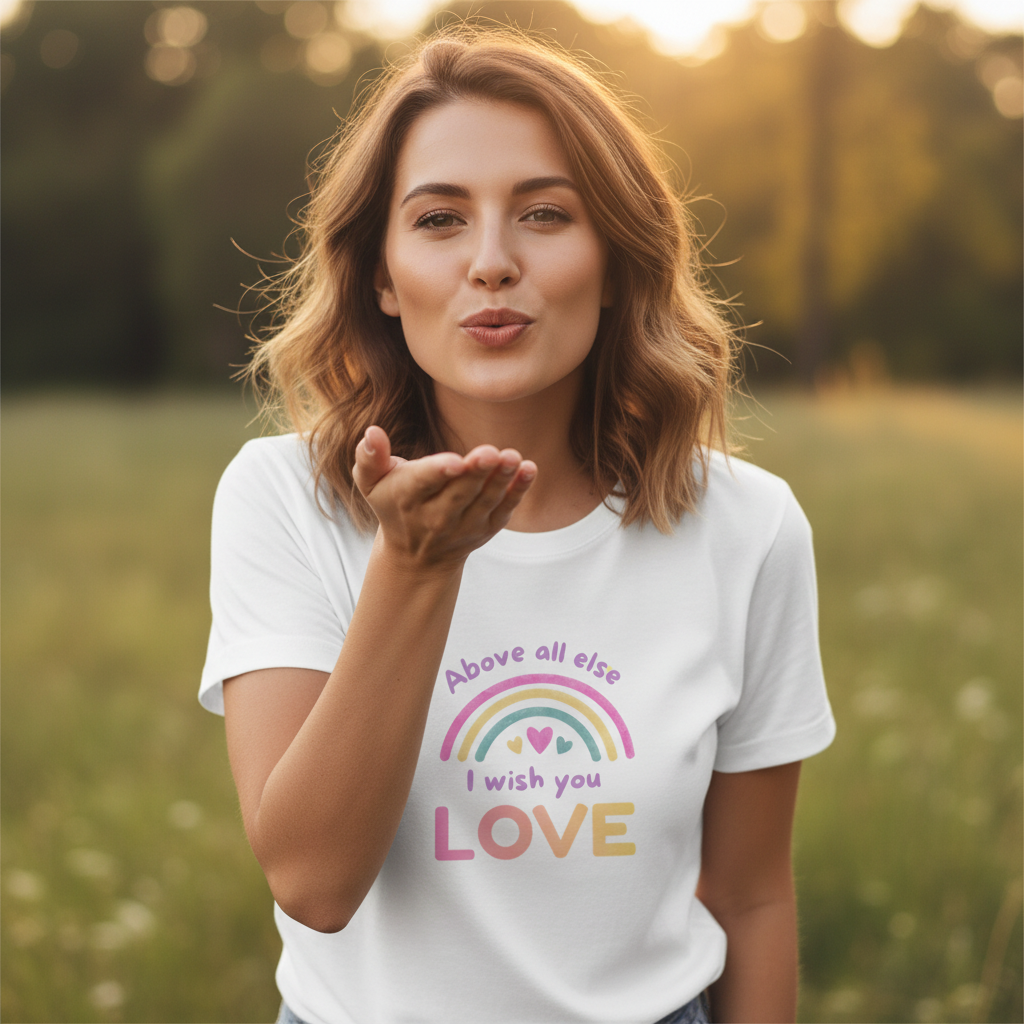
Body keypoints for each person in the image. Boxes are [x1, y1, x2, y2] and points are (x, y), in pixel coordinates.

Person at [199, 25, 835, 1024]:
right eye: (439, 219)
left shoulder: (747, 528)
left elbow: (750, 896)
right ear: (380, 275)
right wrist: (415, 567)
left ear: (615, 259)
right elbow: (313, 883)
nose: (492, 263)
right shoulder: (282, 498)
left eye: (544, 214)